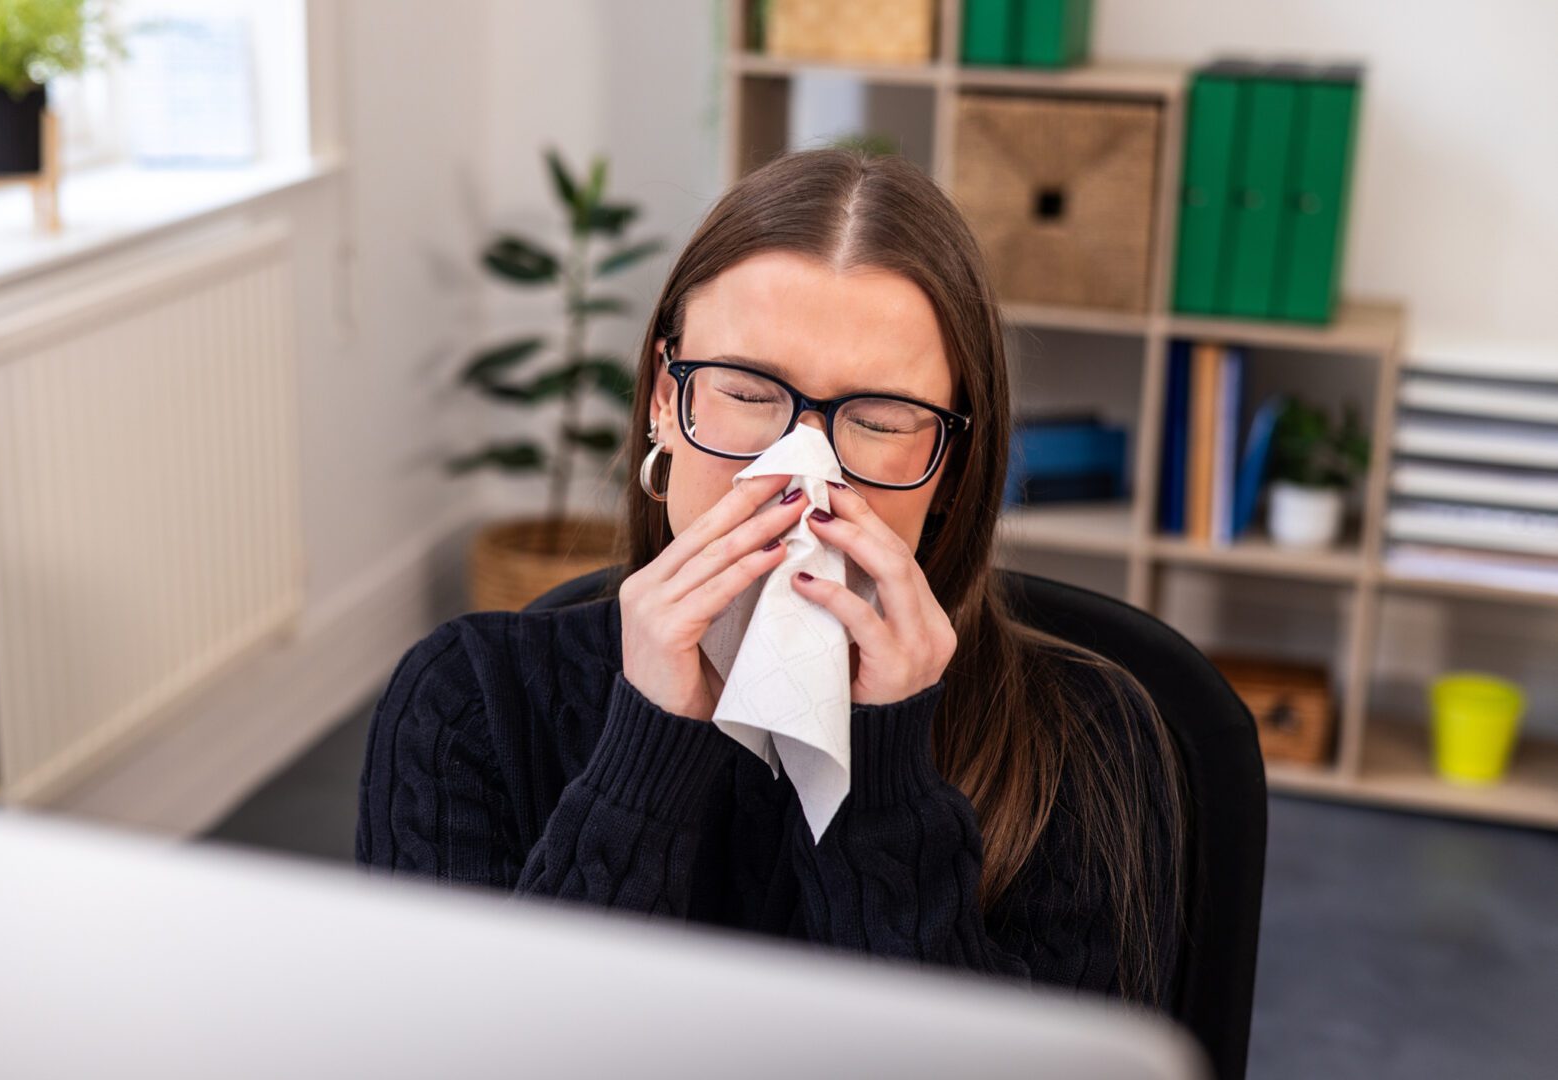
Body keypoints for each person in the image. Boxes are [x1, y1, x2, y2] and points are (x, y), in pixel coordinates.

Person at [355, 147, 1188, 1010]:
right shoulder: (464, 700)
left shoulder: (1087, 739)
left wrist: (885, 775)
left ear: (950, 465)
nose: (803, 473)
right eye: (749, 394)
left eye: (878, 418)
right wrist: (647, 749)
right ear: (661, 400)